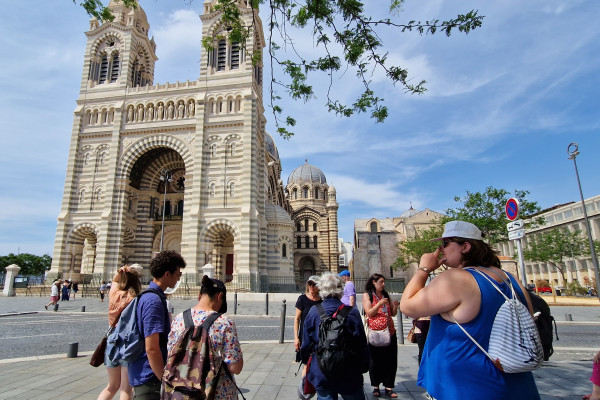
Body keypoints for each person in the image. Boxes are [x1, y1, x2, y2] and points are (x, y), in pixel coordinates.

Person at [399, 220, 540, 400]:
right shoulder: (511, 280)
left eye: (446, 243)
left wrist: (424, 268)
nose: (441, 249)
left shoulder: (457, 278)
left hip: (467, 386)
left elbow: (407, 306)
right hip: (517, 385)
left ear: (465, 247)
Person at [167, 275, 243, 399]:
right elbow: (235, 367)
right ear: (220, 297)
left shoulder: (179, 319)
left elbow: (170, 354)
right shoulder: (224, 323)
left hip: (182, 391)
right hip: (217, 393)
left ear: (199, 295)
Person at [300, 272, 369, 400]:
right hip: (349, 372)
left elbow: (306, 344)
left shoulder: (314, 311)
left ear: (321, 289)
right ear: (340, 290)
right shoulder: (352, 312)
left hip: (322, 371)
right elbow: (361, 343)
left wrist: (306, 364)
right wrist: (364, 366)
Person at [128, 250, 185, 399]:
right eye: (178, 274)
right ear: (167, 274)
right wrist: (164, 379)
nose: (179, 278)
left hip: (145, 372)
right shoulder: (153, 301)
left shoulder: (150, 296)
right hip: (149, 376)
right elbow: (152, 348)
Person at [98, 265, 142, 400]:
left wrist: (121, 272)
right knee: (126, 389)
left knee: (111, 386)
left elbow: (115, 281)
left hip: (112, 341)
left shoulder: (113, 294)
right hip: (128, 343)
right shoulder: (135, 298)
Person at [362, 274, 399, 398]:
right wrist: (379, 304)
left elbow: (392, 314)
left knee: (390, 360)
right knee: (375, 361)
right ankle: (376, 386)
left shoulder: (386, 295)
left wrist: (395, 306)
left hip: (389, 331)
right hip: (375, 333)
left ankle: (389, 387)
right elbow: (369, 313)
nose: (383, 284)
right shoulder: (367, 295)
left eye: (384, 282)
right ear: (374, 282)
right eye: (381, 282)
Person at [294, 276, 322, 364]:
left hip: (318, 336)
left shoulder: (322, 300)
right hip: (304, 335)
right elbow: (297, 319)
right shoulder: (302, 299)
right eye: (310, 284)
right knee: (305, 364)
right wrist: (296, 338)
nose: (311, 286)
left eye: (314, 284)